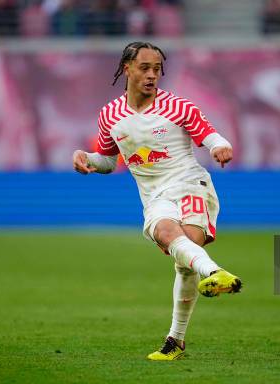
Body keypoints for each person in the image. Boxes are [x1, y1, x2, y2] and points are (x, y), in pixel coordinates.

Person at [72, 42, 242, 360]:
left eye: (157, 69)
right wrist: (89, 161)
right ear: (127, 69)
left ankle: (175, 339)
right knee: (169, 234)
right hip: (155, 196)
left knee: (186, 254)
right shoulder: (110, 116)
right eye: (145, 68)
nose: (152, 75)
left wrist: (221, 146)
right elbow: (110, 160)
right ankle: (214, 274)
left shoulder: (178, 106)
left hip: (192, 185)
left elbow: (209, 134)